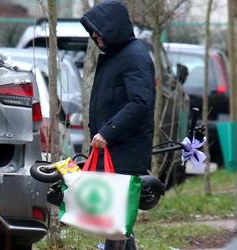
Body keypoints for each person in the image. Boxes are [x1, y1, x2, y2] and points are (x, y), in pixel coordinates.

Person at [80, 0, 155, 249]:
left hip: (125, 151)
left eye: (98, 30)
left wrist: (107, 132)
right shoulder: (119, 55)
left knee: (117, 221)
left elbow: (140, 102)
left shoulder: (134, 56)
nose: (94, 35)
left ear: (111, 29)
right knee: (118, 222)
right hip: (116, 151)